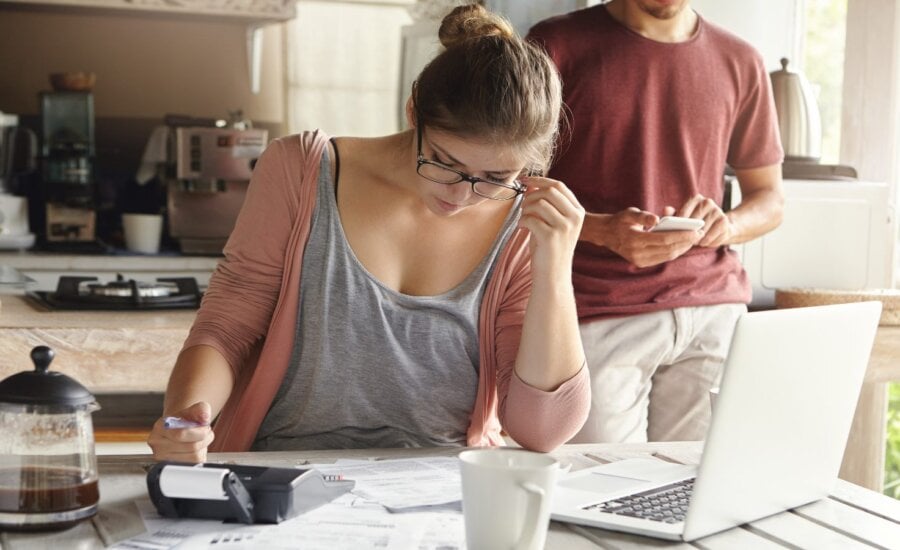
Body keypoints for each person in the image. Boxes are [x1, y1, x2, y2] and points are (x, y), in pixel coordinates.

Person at [149, 4, 590, 463]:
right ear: (413, 109)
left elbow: (543, 431)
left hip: (443, 487)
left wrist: (555, 269)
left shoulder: (521, 221)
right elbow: (227, 329)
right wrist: (187, 421)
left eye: (495, 177)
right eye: (444, 162)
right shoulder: (301, 171)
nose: (461, 197)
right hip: (284, 470)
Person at [527, 0, 784, 443]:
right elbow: (508, 189)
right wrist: (601, 230)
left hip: (712, 313)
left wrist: (728, 225)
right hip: (596, 312)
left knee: (698, 494)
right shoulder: (553, 46)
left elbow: (770, 198)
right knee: (598, 491)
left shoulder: (740, 60)